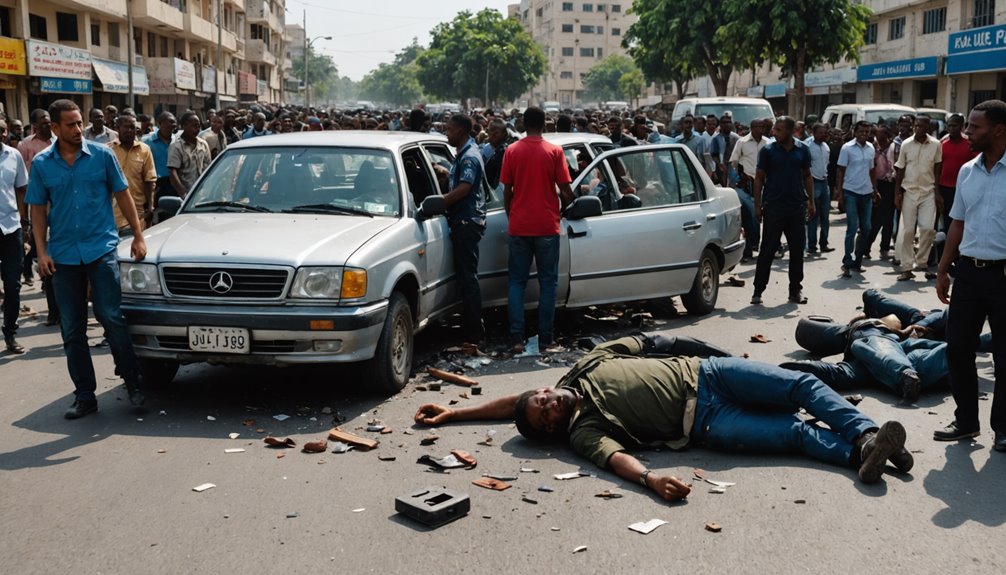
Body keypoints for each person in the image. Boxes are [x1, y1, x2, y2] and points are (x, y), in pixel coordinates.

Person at [415, 334, 912, 492]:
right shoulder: (582, 434)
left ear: (545, 388)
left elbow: (658, 341)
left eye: (542, 398)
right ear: (551, 431)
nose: (547, 406)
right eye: (544, 416)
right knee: (794, 434)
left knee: (802, 383)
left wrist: (452, 414)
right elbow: (615, 461)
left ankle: (868, 436)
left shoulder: (585, 366)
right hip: (707, 425)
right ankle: (860, 455)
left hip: (710, 373)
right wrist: (650, 480)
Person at [25, 99, 148, 418]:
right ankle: (84, 395)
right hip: (64, 255)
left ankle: (132, 380)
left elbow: (123, 195)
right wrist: (41, 251)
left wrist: (138, 235)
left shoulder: (102, 156)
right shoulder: (41, 164)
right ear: (54, 128)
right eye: (70, 124)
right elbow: (37, 209)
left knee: (111, 316)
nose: (78, 129)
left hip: (101, 249)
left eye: (80, 123)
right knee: (72, 329)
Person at [934, 99, 1006, 451]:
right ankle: (966, 422)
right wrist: (943, 269)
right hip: (969, 274)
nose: (967, 133)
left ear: (998, 130)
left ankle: (1003, 429)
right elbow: (957, 223)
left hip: (1004, 276)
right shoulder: (967, 171)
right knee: (958, 347)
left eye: (975, 127)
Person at [500, 107, 574, 354]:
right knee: (548, 283)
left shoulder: (512, 151)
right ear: (544, 124)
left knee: (517, 283)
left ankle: (516, 339)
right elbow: (565, 189)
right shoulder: (554, 151)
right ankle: (546, 339)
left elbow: (507, 193)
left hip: (519, 226)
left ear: (522, 123)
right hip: (546, 226)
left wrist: (513, 216)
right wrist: (569, 203)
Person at [751, 117, 815, 306]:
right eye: (774, 129)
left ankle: (795, 291)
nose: (773, 133)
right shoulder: (768, 151)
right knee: (767, 250)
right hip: (774, 207)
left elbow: (807, 176)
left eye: (778, 130)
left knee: (797, 251)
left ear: (790, 131)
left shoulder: (802, 149)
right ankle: (758, 290)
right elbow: (759, 179)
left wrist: (812, 202)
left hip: (796, 208)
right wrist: (758, 205)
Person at [434, 114, 486, 345]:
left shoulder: (470, 157)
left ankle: (476, 334)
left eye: (450, 130)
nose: (447, 133)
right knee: (465, 277)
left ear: (462, 131)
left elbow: (464, 188)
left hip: (466, 221)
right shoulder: (464, 154)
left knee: (468, 278)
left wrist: (441, 201)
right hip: (462, 220)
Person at [894, 114, 942, 281]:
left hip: (928, 192)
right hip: (909, 192)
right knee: (907, 231)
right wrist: (897, 194)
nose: (919, 129)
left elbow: (937, 168)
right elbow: (900, 169)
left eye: (923, 126)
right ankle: (907, 268)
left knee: (928, 228)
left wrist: (937, 192)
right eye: (917, 126)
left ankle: (921, 261)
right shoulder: (906, 144)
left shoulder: (936, 145)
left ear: (929, 128)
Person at [0, 121, 29, 353]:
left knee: (13, 285)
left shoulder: (14, 155)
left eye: (1, 130)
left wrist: (24, 220)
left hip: (11, 228)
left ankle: (10, 333)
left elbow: (21, 189)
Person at [836, 121, 878, 278]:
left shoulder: (871, 148)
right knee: (852, 228)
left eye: (867, 131)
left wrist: (875, 189)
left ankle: (857, 261)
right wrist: (840, 194)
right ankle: (847, 262)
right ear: (855, 131)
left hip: (866, 192)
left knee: (866, 228)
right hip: (851, 191)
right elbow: (841, 171)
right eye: (861, 131)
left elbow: (872, 170)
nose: (864, 134)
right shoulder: (847, 148)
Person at [934, 114, 976, 265]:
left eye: (954, 126)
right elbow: (936, 170)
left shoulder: (969, 144)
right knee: (942, 226)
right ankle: (940, 260)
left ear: (962, 126)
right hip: (944, 190)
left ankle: (957, 258)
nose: (951, 129)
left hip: (963, 190)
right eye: (949, 126)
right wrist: (937, 192)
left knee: (958, 224)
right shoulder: (942, 144)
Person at [109, 115, 157, 234]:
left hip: (137, 215)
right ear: (117, 128)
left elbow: (149, 180)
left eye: (132, 127)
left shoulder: (145, 150)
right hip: (111, 215)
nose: (130, 131)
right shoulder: (108, 150)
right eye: (126, 127)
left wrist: (150, 206)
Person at [729, 118, 769, 259]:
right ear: (752, 127)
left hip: (765, 183)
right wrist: (737, 180)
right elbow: (733, 163)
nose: (760, 129)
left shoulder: (768, 143)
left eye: (762, 126)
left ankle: (762, 246)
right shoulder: (742, 142)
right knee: (750, 214)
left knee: (764, 216)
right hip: (747, 185)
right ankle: (750, 247)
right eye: (757, 126)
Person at [865, 125, 897, 260]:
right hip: (876, 184)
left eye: (881, 134)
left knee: (888, 219)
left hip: (890, 184)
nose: (878, 136)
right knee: (876, 218)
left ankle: (884, 247)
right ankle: (866, 246)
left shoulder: (893, 147)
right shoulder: (873, 148)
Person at [167, 112, 211, 199]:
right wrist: (183, 194)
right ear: (184, 126)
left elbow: (208, 168)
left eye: (198, 126)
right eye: (194, 126)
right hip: (186, 195)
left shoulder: (203, 144)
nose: (197, 129)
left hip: (203, 194)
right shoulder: (176, 146)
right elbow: (173, 173)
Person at [804, 123, 832, 254]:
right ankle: (812, 245)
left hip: (824, 181)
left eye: (825, 132)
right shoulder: (807, 146)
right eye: (820, 132)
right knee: (813, 215)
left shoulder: (826, 146)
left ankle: (824, 243)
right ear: (813, 133)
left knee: (825, 216)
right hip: (813, 182)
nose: (823, 135)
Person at [142, 112, 176, 206]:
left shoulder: (177, 141)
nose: (174, 125)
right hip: (155, 184)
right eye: (171, 122)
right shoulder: (147, 142)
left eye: (174, 122)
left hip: (173, 183)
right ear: (160, 123)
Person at [711, 115, 740, 187]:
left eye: (728, 122)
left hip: (734, 167)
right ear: (720, 124)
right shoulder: (716, 139)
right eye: (724, 122)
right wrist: (720, 164)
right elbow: (714, 155)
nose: (726, 124)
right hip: (721, 168)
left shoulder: (736, 138)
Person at [482, 118, 509, 190]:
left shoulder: (501, 153)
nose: (488, 138)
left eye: (489, 132)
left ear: (497, 134)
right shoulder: (499, 151)